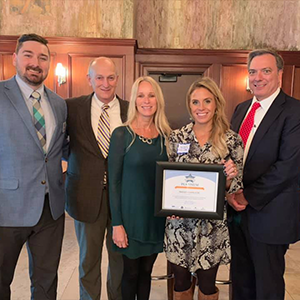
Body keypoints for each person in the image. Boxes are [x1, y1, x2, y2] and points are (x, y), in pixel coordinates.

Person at [0, 33, 68, 299]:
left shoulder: (59, 104)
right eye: (28, 55)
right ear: (15, 58)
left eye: (43, 57)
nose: (35, 63)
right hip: (7, 208)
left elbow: (61, 150)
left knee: (46, 282)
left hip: (50, 209)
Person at [228, 49, 300, 300]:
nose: (257, 77)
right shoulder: (240, 109)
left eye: (265, 70)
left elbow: (288, 167)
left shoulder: (294, 112)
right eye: (252, 71)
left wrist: (246, 196)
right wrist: (227, 191)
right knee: (240, 280)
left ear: (280, 74)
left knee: (267, 286)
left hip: (270, 216)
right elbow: (229, 154)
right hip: (236, 214)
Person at [164, 77, 244, 300]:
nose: (201, 108)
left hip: (212, 228)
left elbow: (234, 189)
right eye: (195, 102)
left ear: (216, 104)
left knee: (208, 286)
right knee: (180, 283)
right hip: (179, 225)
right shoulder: (176, 137)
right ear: (189, 106)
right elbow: (166, 178)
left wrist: (229, 177)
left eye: (207, 101)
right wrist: (166, 203)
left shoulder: (231, 140)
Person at [65, 57, 128, 300]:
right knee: (88, 261)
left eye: (110, 77)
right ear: (89, 79)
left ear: (117, 79)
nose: (105, 83)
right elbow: (60, 144)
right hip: (84, 196)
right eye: (99, 77)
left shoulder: (130, 110)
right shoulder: (72, 107)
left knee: (119, 260)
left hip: (121, 198)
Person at [108, 76, 171, 300]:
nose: (147, 101)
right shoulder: (121, 135)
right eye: (141, 95)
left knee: (147, 272)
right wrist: (117, 224)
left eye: (151, 95)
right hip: (130, 219)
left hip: (155, 218)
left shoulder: (166, 137)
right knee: (131, 273)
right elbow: (113, 183)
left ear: (158, 100)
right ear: (135, 100)